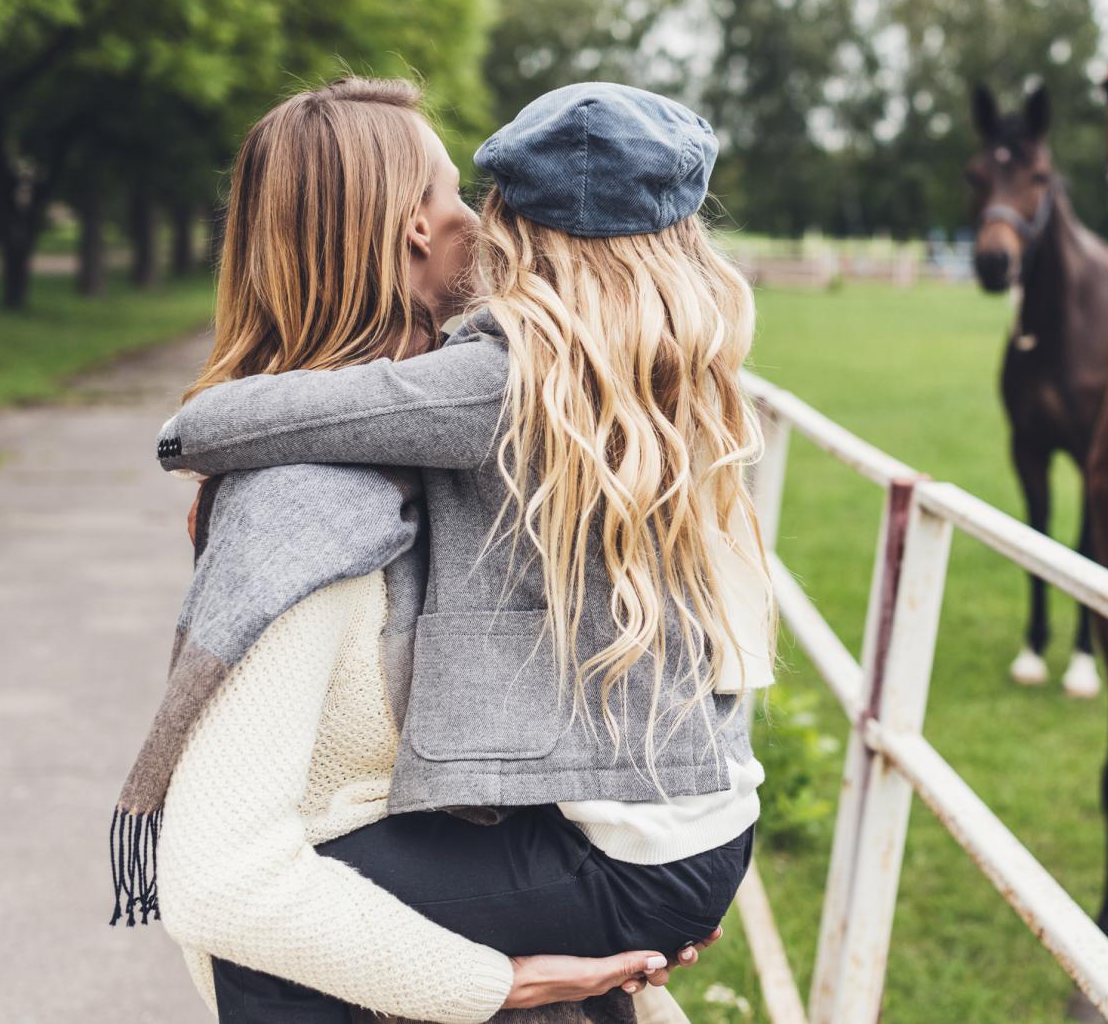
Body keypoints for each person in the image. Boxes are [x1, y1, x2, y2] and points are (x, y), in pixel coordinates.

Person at [113, 79, 772, 1022]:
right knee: (265, 938)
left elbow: (230, 424)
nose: (474, 221)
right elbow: (227, 883)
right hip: (691, 828)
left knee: (261, 963)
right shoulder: (631, 387)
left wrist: (194, 435)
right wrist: (512, 979)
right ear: (413, 228)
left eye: (482, 196)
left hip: (634, 852)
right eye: (453, 189)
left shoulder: (498, 390)